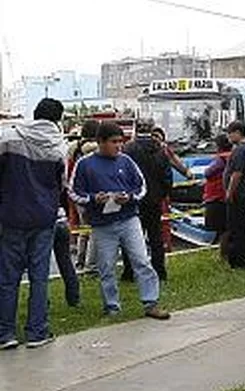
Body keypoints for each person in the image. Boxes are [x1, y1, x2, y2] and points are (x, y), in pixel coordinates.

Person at [69, 122, 171, 320]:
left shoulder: (126, 161)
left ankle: (151, 303)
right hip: (102, 224)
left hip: (128, 219)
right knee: (106, 267)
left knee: (141, 261)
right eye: (114, 142)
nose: (118, 146)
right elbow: (73, 191)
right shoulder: (85, 164)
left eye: (120, 142)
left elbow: (141, 187)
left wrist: (130, 197)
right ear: (100, 142)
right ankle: (112, 306)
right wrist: (92, 199)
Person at [0, 99, 68, 350]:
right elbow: (61, 185)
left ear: (35, 113)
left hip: (11, 216)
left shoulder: (9, 138)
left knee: (8, 277)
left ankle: (5, 333)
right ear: (57, 119)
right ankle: (37, 332)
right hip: (43, 217)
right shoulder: (58, 147)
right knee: (40, 277)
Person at [119, 118, 170, 283]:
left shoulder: (127, 149)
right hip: (154, 200)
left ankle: (129, 272)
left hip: (133, 200)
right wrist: (162, 194)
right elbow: (167, 177)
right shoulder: (160, 149)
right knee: (156, 237)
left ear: (136, 129)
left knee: (131, 238)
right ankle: (160, 271)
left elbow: (122, 175)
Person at [224, 121, 245, 269]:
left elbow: (236, 174)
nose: (228, 136)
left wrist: (229, 193)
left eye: (230, 133)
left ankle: (236, 260)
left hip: (239, 195)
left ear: (237, 133)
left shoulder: (239, 151)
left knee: (236, 228)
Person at [68, 120, 100, 270]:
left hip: (78, 193)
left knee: (83, 228)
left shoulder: (74, 149)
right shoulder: (95, 150)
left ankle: (80, 260)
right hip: (92, 193)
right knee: (94, 229)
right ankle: (91, 263)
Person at [203, 134, 233, 259]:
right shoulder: (232, 156)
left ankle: (223, 254)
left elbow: (208, 172)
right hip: (224, 195)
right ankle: (223, 252)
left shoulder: (221, 159)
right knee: (225, 227)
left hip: (217, 197)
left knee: (222, 228)